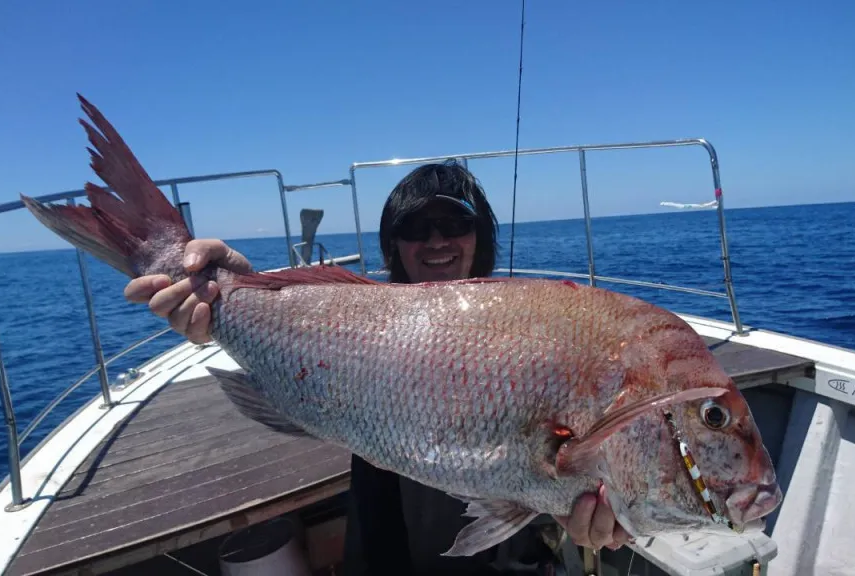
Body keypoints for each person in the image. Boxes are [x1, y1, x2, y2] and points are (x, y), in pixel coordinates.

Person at [123, 161, 632, 574]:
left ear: (481, 236)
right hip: (383, 534)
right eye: (415, 227)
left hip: (508, 555)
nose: (436, 241)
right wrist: (230, 290)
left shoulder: (540, 323)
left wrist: (620, 509)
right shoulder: (361, 312)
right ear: (392, 241)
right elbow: (307, 327)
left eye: (455, 224)